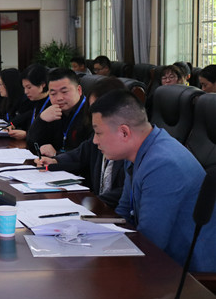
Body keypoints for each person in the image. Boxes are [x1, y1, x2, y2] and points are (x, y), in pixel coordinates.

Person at [91, 89, 216, 272]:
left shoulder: (163, 165)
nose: (94, 141)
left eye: (98, 133)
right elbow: (124, 213)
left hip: (189, 274)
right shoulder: (137, 153)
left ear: (124, 132)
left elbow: (151, 242)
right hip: (159, 260)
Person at [35, 77, 127, 208]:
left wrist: (91, 203)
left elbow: (127, 192)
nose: (92, 112)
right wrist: (55, 161)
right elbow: (80, 154)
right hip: (98, 210)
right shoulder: (98, 132)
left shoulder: (132, 144)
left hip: (111, 212)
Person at [26, 67, 92, 153]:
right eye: (53, 93)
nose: (59, 98)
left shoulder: (91, 114)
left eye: (64, 92)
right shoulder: (53, 111)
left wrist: (57, 155)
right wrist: (41, 119)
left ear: (79, 90)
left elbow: (88, 154)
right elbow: (32, 144)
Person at [8, 63, 50, 140]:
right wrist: (12, 125)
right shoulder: (30, 101)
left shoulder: (52, 103)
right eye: (24, 88)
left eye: (29, 87)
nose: (26, 92)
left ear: (42, 84)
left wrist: (27, 135)